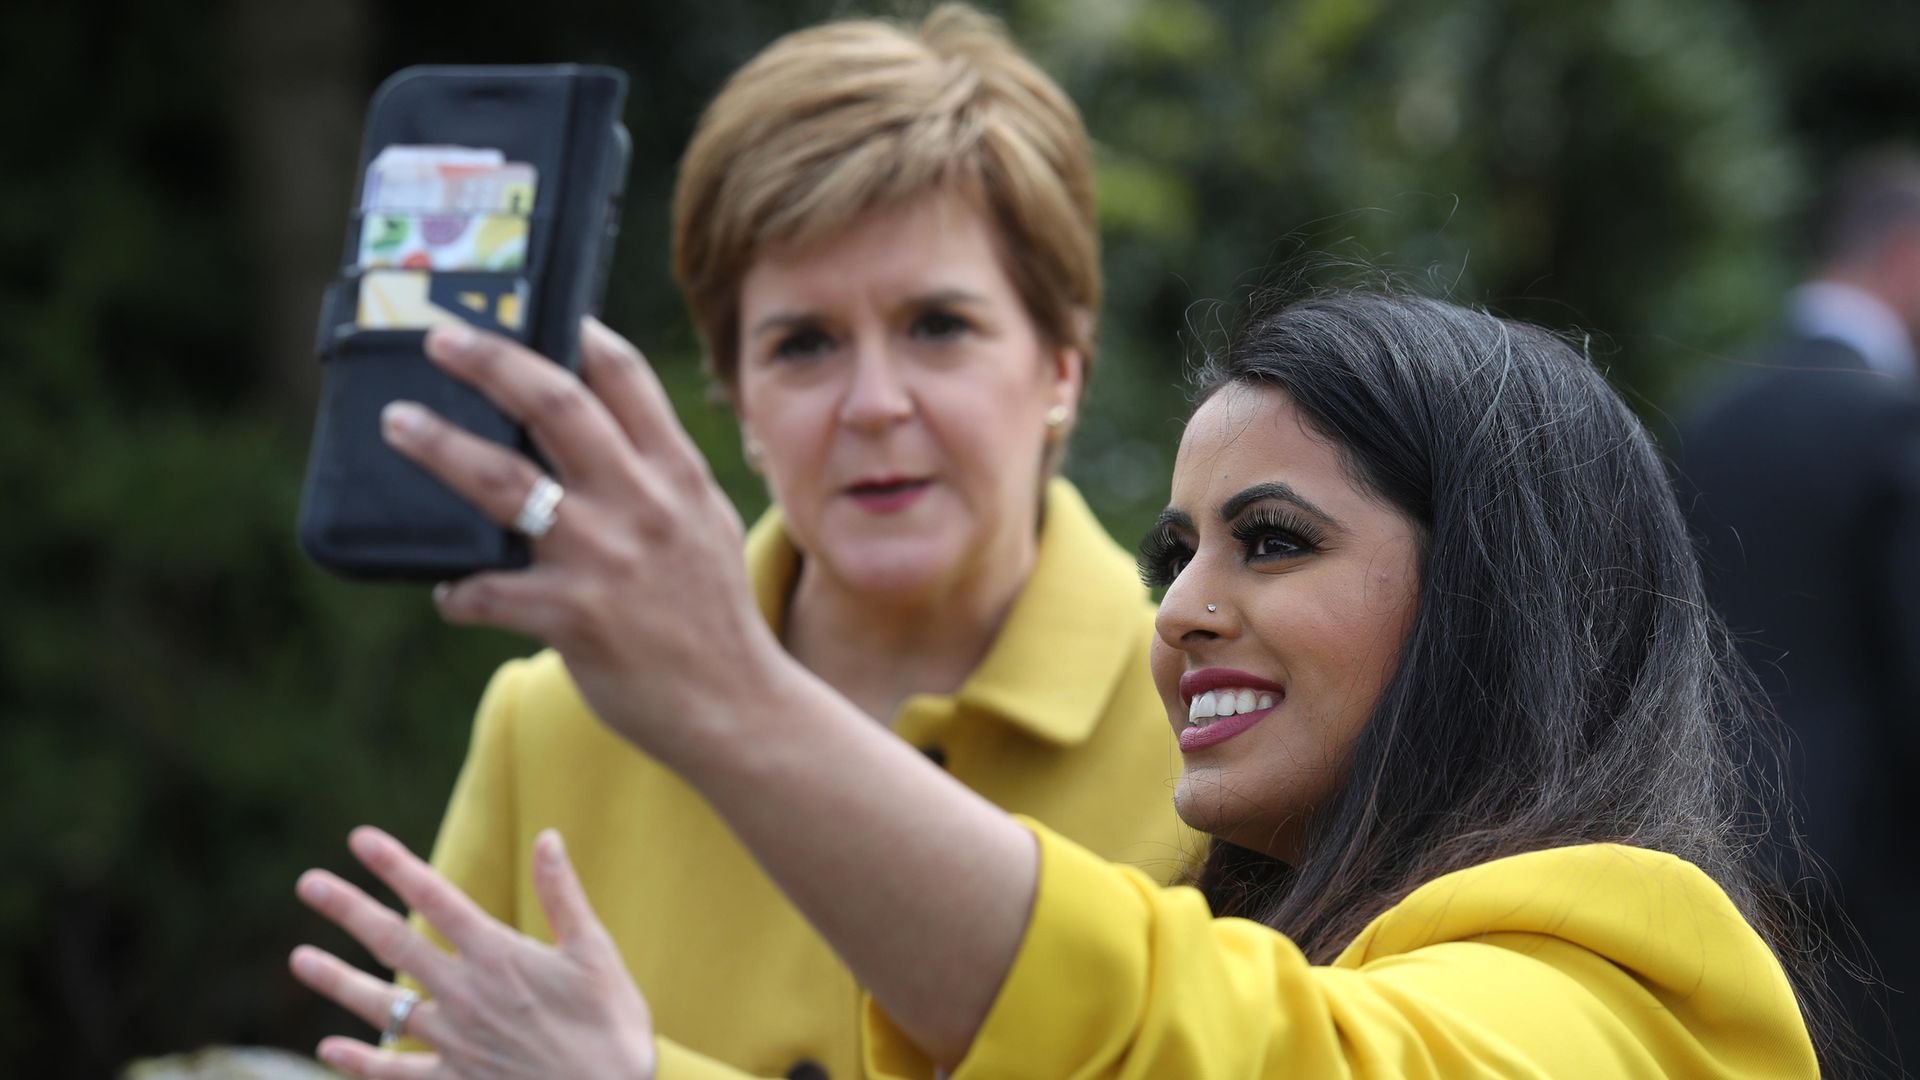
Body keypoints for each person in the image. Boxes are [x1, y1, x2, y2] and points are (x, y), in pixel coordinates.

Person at [291, 291, 1830, 1077]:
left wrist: (728, 694)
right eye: (1178, 552)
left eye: (1273, 542)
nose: (1182, 613)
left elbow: (1224, 1057)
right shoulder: (541, 723)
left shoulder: (1616, 1002)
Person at [391, 7, 1198, 1079]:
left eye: (937, 326)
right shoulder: (550, 724)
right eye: (804, 344)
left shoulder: (1213, 730)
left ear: (1061, 366)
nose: (872, 403)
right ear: (735, 397)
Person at [1674, 147, 1920, 1071]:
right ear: (1908, 254)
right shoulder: (1892, 419)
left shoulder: (1712, 410)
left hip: (1717, 841)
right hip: (1874, 867)